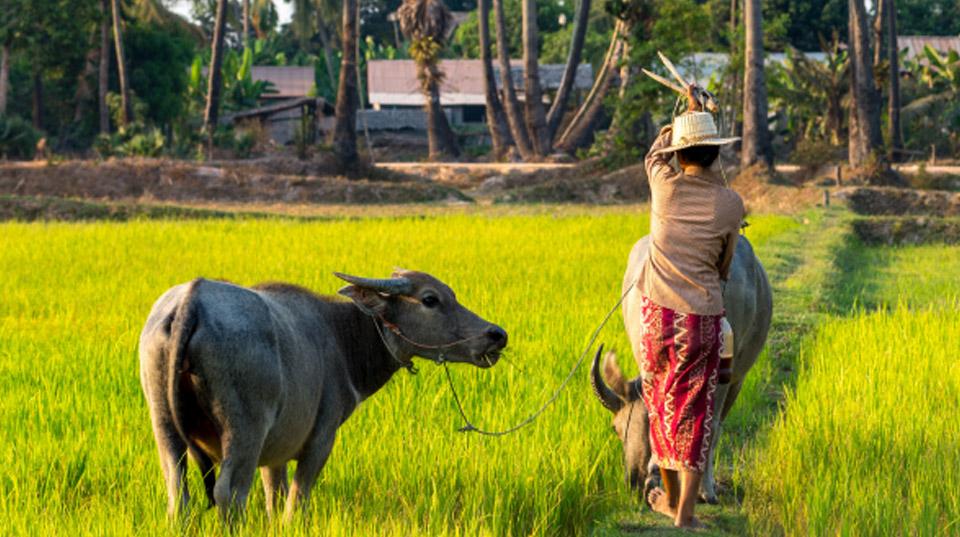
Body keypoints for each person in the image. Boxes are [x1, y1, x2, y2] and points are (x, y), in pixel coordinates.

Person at [637, 94, 744, 529]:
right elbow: (724, 264)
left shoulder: (663, 185)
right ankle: (685, 514)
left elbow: (653, 153)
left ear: (679, 154)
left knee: (661, 403)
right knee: (696, 409)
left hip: (656, 318)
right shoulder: (730, 204)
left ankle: (671, 498)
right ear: (717, 151)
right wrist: (697, 119)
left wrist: (681, 116)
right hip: (700, 319)